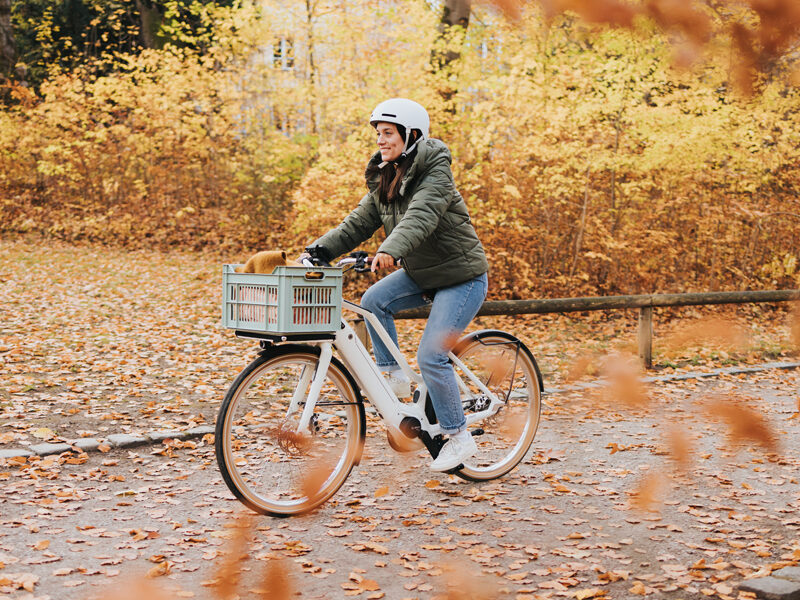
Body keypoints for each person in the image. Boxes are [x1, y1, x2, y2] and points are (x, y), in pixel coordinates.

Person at [303, 98, 489, 472]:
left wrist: (389, 250)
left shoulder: (435, 170)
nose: (380, 140)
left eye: (388, 133)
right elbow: (358, 221)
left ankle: (459, 437)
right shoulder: (387, 174)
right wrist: (319, 251)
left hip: (461, 276)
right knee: (374, 301)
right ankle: (395, 380)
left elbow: (421, 216)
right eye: (378, 134)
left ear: (412, 135)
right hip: (424, 272)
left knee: (431, 355)